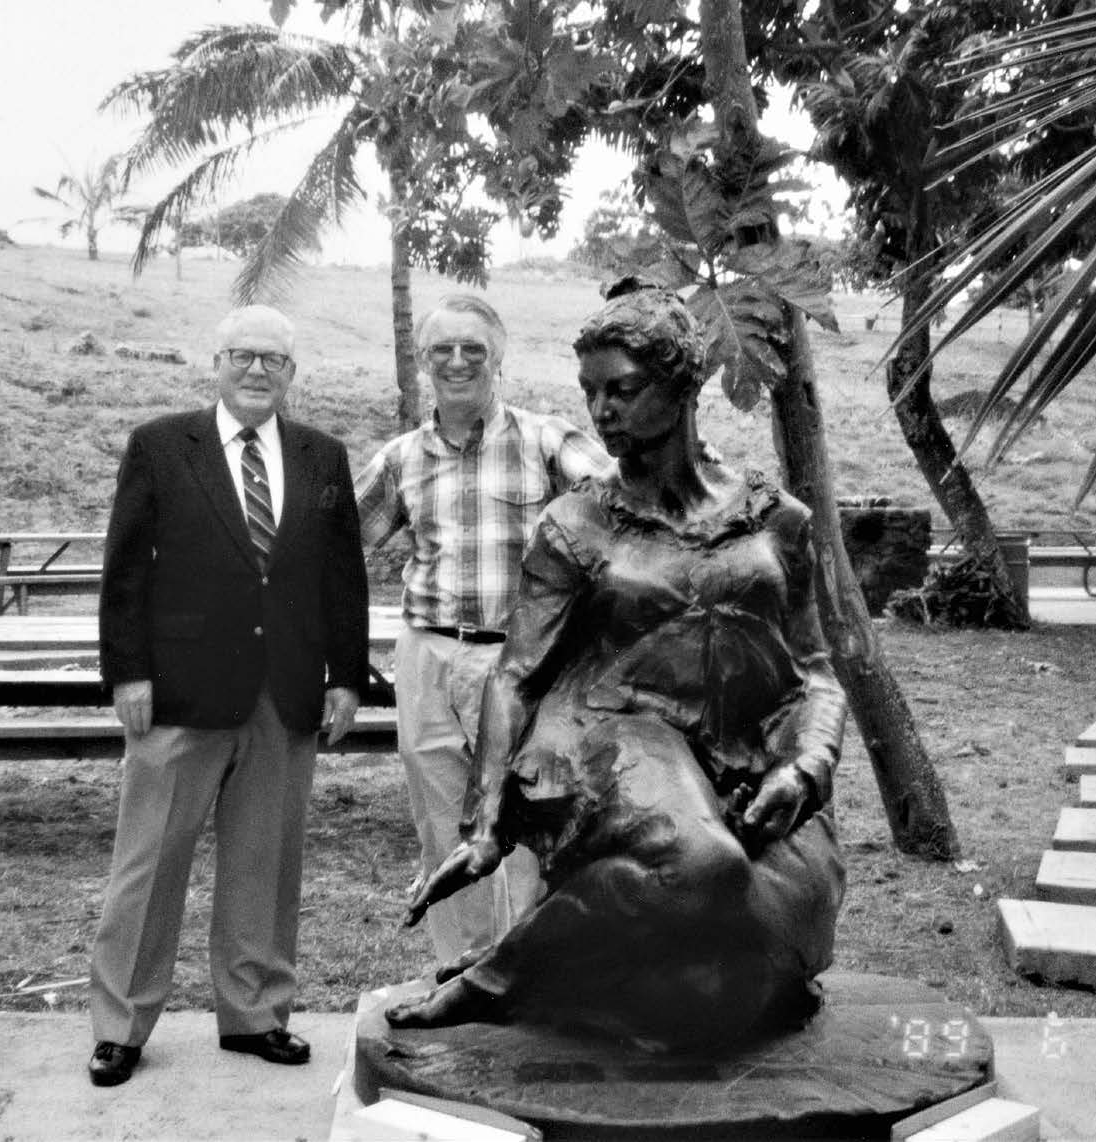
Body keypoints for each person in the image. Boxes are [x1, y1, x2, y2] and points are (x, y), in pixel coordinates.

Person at [385, 280, 848, 1050]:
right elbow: (516, 675)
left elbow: (816, 669)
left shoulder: (778, 519)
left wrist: (805, 767)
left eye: (622, 391)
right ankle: (494, 980)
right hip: (611, 733)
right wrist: (488, 821)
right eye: (590, 394)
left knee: (759, 963)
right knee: (702, 866)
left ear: (683, 385)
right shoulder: (575, 524)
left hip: (748, 754)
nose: (601, 413)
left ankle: (562, 974)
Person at [87, 305, 369, 1087]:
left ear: (291, 374)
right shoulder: (160, 445)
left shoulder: (323, 456)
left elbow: (342, 578)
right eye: (242, 355)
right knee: (146, 866)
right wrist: (128, 672)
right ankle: (121, 1025)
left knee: (264, 863)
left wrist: (345, 677)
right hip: (176, 693)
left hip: (283, 693)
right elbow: (126, 570)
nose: (256, 370)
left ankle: (253, 1014)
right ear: (216, 362)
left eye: (272, 359)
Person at [355, 293, 613, 970]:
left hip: (523, 661)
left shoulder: (547, 441)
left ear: (498, 358)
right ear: (422, 362)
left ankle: (526, 969)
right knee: (442, 822)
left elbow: (621, 514)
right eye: (442, 349)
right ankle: (459, 971)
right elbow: (338, 546)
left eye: (474, 348)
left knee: (526, 816)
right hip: (428, 653)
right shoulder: (400, 459)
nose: (458, 361)